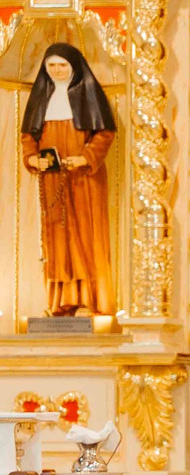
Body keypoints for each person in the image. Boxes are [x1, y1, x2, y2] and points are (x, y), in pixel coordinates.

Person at [18, 43, 117, 318]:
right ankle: (61, 303)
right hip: (52, 179)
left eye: (62, 65)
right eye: (52, 66)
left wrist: (85, 157)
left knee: (86, 235)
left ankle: (88, 301)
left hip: (84, 179)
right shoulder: (42, 97)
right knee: (57, 239)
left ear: (74, 67)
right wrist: (32, 158)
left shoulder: (88, 94)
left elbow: (104, 133)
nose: (57, 71)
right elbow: (29, 137)